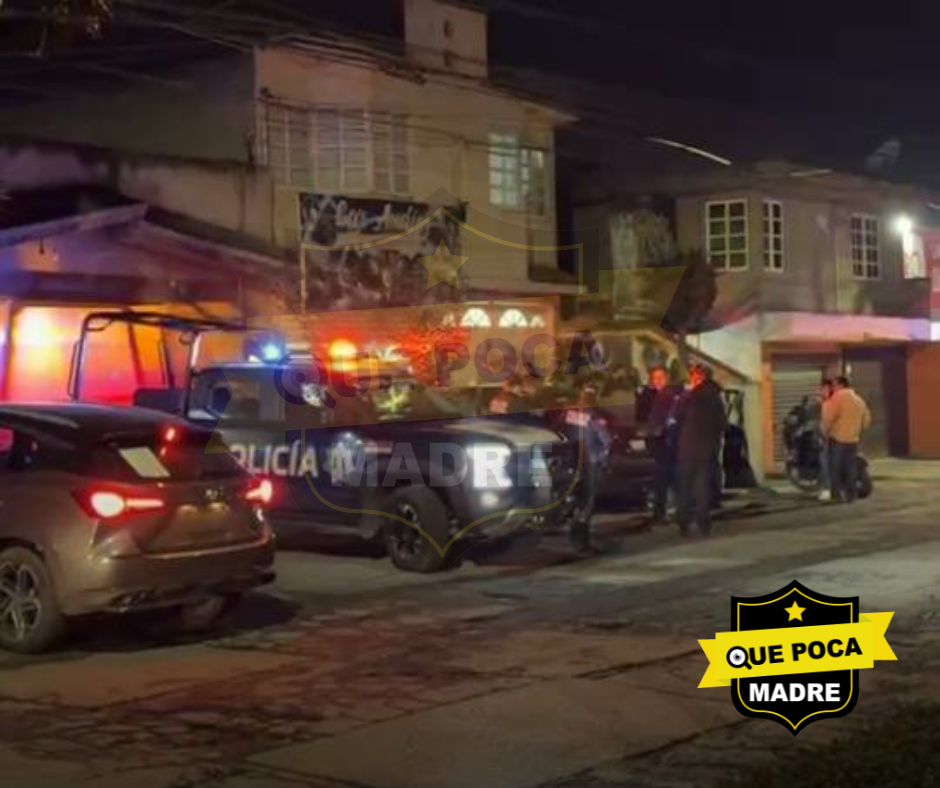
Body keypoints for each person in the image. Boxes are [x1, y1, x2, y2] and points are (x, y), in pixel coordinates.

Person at [674, 363, 727, 536]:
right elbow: (722, 424)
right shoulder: (716, 398)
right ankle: (704, 524)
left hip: (688, 448)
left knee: (685, 487)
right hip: (707, 450)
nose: (691, 378)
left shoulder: (688, 396)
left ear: (699, 377)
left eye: (694, 376)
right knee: (702, 487)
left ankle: (684, 523)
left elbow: (676, 416)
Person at [821, 375, 871, 503]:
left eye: (834, 385)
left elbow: (828, 417)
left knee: (835, 468)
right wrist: (856, 431)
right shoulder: (859, 400)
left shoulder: (837, 398)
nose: (832, 387)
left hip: (837, 439)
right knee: (850, 468)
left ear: (840, 385)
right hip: (853, 440)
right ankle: (851, 495)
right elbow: (866, 420)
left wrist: (825, 431)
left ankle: (836, 496)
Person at [645, 366, 679, 524]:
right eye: (654, 378)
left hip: (664, 443)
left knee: (663, 479)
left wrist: (655, 432)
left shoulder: (666, 396)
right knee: (665, 479)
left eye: (660, 378)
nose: (657, 381)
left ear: (667, 378)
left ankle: (661, 513)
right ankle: (663, 512)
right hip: (664, 443)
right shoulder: (661, 395)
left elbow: (667, 420)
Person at [814, 380, 834, 501]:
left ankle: (827, 489)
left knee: (826, 463)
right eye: (823, 389)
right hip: (824, 437)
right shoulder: (819, 404)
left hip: (833, 437)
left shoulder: (833, 402)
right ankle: (825, 489)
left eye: (826, 389)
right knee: (824, 463)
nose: (824, 391)